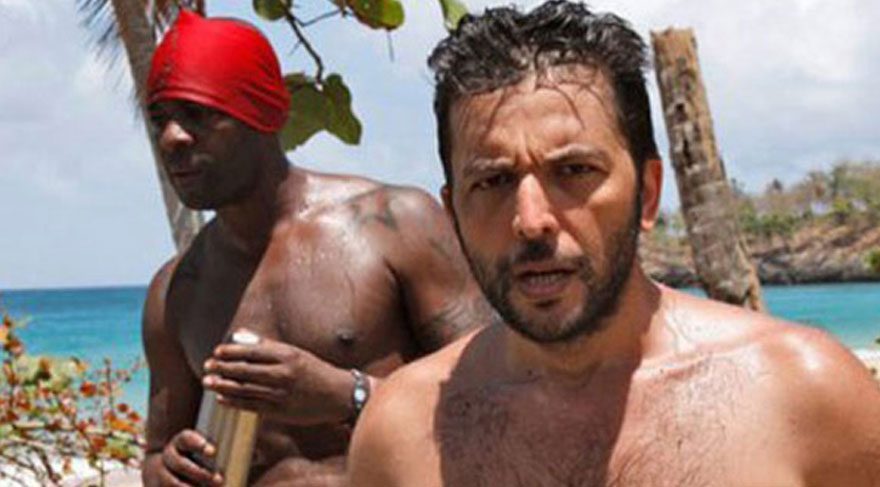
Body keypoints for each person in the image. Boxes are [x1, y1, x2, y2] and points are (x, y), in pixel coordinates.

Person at [347, 2, 880, 485]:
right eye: (493, 181)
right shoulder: (402, 433)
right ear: (452, 214)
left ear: (647, 193)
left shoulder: (803, 396)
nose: (531, 221)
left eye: (575, 171)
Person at [140, 10, 493, 487]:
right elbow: (156, 454)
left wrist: (347, 395)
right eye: (158, 120)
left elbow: (496, 398)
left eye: (200, 114)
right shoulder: (175, 292)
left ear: (263, 115)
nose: (172, 138)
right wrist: (168, 469)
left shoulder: (395, 225)